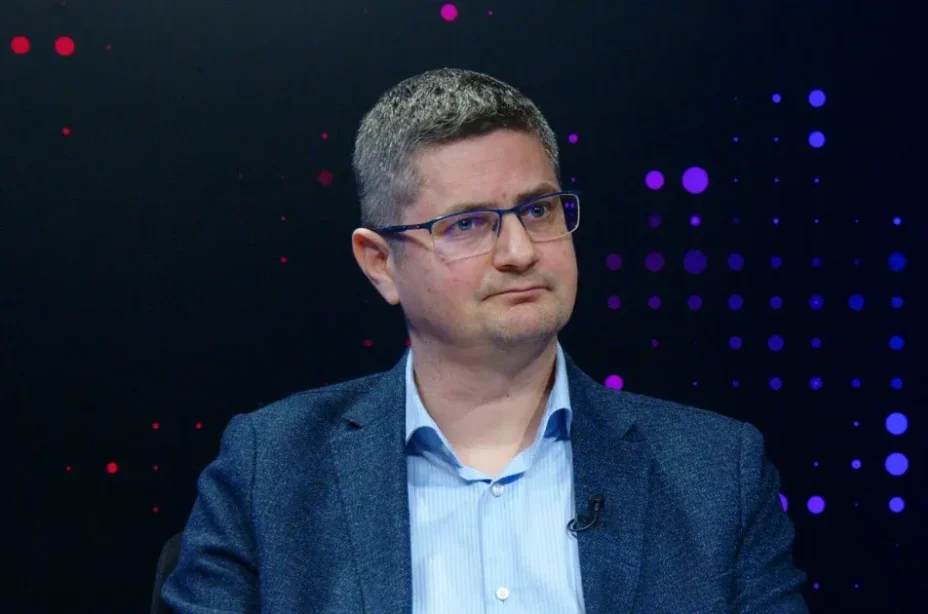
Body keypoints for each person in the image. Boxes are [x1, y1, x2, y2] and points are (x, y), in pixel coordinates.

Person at [161, 67, 808, 613]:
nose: (520, 251)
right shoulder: (271, 469)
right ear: (381, 263)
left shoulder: (716, 472)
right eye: (468, 224)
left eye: (538, 210)